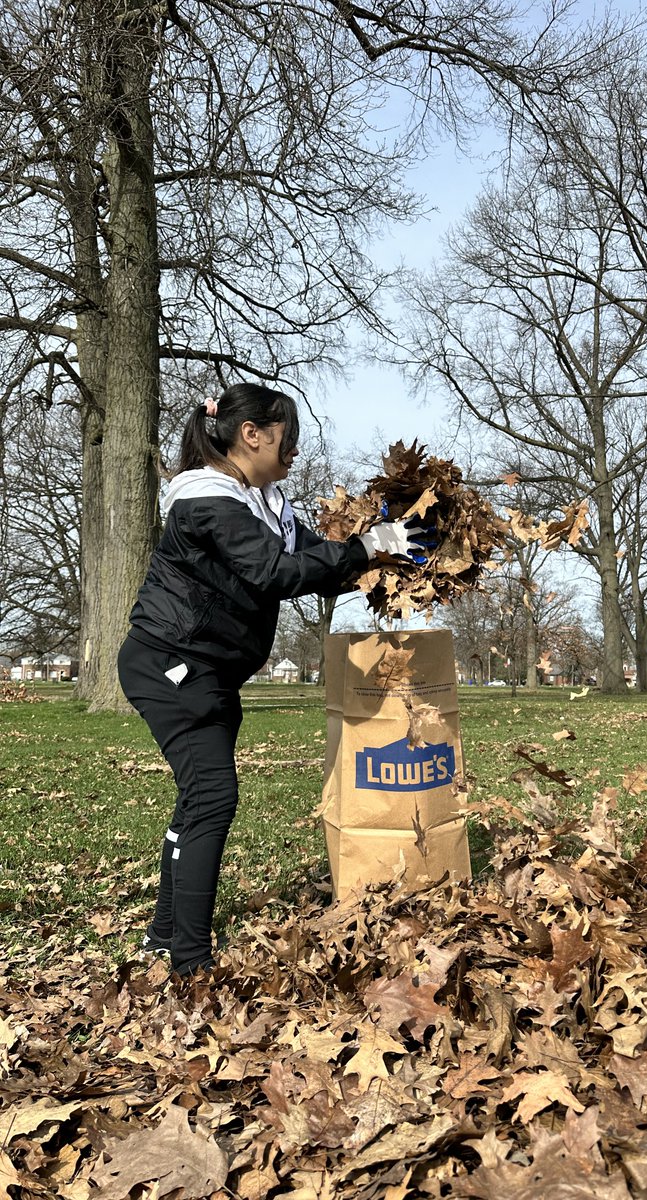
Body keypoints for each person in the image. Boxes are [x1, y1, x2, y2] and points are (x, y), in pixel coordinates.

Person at [118, 383, 433, 976]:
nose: (293, 451)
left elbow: (318, 566)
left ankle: (164, 937)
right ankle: (189, 964)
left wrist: (387, 550)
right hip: (169, 662)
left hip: (208, 670)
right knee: (213, 795)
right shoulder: (205, 501)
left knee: (198, 801)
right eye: (286, 437)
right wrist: (365, 546)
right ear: (251, 434)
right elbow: (274, 572)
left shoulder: (267, 506)